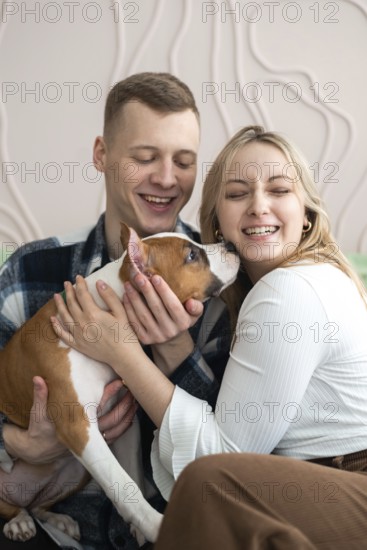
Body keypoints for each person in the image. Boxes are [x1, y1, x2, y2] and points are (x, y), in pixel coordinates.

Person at [53, 125, 367, 549]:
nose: (259, 206)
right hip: (314, 487)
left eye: (278, 190)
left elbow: (222, 462)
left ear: (307, 211)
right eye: (238, 193)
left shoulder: (290, 290)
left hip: (346, 483)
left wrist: (125, 355)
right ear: (217, 220)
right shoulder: (241, 295)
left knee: (209, 483)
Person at [0, 72, 231, 550]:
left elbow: (228, 451)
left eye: (184, 162)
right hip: (47, 528)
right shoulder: (28, 273)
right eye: (145, 158)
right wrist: (20, 443)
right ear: (102, 155)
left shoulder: (220, 287)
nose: (167, 178)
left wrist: (172, 347)